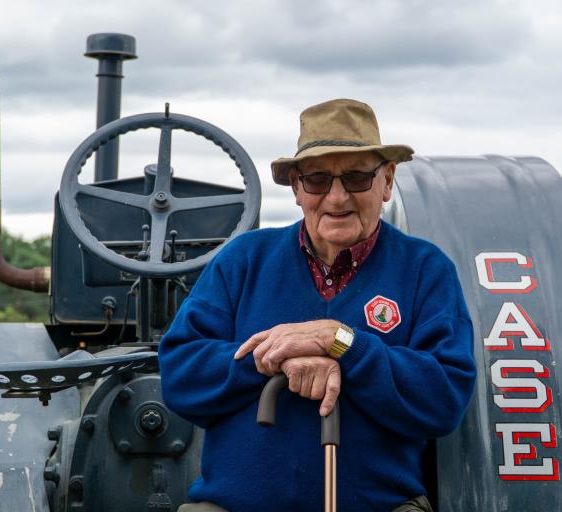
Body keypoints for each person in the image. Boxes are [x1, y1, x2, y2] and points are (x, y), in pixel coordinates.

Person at [159, 99, 476, 512]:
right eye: (317, 179)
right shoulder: (243, 260)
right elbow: (181, 377)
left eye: (358, 177)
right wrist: (272, 359)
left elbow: (443, 398)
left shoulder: (425, 269)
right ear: (296, 187)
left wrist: (343, 343)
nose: (337, 197)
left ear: (387, 181)